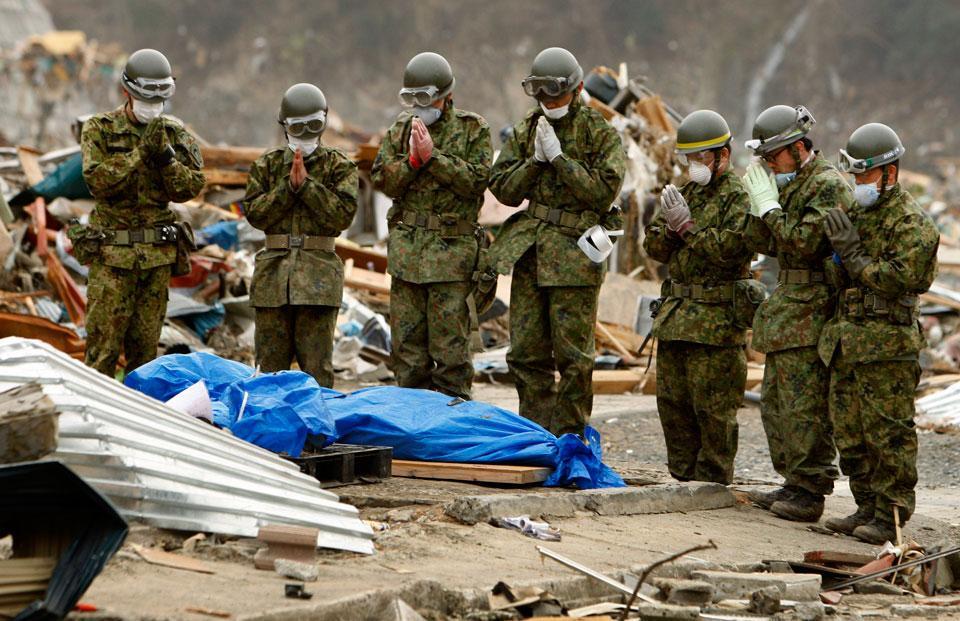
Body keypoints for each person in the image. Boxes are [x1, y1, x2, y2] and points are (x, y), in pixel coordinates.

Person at [488, 46, 625, 437]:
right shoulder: (528, 127)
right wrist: (534, 162)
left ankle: (569, 438)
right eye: (541, 96)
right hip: (532, 251)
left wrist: (560, 160)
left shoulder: (599, 132)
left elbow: (602, 193)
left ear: (578, 88)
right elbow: (503, 190)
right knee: (527, 353)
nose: (549, 102)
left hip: (575, 257)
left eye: (556, 94)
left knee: (574, 358)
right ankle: (535, 436)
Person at [818, 123, 939, 543]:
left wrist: (852, 256)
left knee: (887, 434)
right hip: (850, 341)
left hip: (887, 346)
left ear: (890, 172)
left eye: (864, 175)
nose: (858, 184)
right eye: (854, 176)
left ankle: (890, 516)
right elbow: (838, 279)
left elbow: (897, 278)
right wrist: (837, 256)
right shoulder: (858, 215)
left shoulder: (912, 224)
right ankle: (865, 506)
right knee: (849, 431)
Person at [741, 104, 852, 521]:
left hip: (814, 307)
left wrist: (771, 208)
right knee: (778, 402)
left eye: (774, 157)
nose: (770, 165)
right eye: (765, 160)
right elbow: (769, 243)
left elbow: (805, 242)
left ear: (798, 148)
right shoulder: (790, 184)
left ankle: (811, 489)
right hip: (791, 305)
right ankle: (793, 479)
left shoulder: (827, 186)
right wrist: (758, 209)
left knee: (805, 405)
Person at [643, 110, 756, 484]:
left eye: (703, 157)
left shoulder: (739, 196)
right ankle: (682, 475)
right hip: (678, 316)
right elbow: (654, 245)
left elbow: (731, 250)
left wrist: (688, 228)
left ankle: (712, 480)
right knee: (673, 404)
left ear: (724, 155)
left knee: (714, 408)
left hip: (716, 319)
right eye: (689, 158)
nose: (695, 166)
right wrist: (672, 229)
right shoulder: (685, 193)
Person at [371, 52, 492, 399]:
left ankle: (452, 437)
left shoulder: (472, 129)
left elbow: (477, 180)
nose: (418, 106)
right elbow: (382, 179)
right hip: (408, 258)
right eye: (411, 99)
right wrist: (411, 161)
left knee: (451, 354)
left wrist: (433, 158)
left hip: (451, 260)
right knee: (408, 356)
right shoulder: (399, 130)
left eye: (425, 98)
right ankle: (414, 432)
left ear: (446, 95)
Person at [80, 48, 205, 376]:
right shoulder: (100, 128)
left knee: (145, 358)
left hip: (155, 261)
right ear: (126, 92)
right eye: (145, 99)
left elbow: (190, 187)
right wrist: (139, 154)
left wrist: (164, 156)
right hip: (112, 261)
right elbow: (98, 181)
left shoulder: (175, 135)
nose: (152, 107)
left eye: (158, 100)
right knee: (101, 354)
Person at [244, 83, 358, 387]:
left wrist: (308, 188)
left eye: (313, 126)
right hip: (273, 281)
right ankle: (266, 432)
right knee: (268, 372)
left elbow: (342, 216)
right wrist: (287, 189)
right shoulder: (266, 166)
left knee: (317, 372)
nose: (306, 134)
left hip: (317, 283)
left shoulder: (340, 166)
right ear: (285, 126)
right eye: (298, 127)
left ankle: (317, 434)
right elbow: (255, 214)